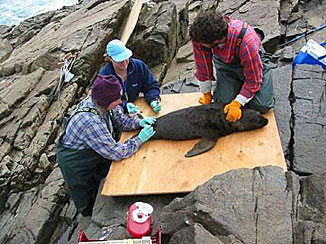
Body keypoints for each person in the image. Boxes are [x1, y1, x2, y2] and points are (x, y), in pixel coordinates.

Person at [56, 75, 156, 216]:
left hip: (92, 150)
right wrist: (139, 139)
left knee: (100, 176)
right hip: (75, 160)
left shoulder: (106, 102)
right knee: (83, 192)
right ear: (106, 101)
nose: (120, 102)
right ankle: (88, 215)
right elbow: (117, 153)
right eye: (117, 100)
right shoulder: (90, 122)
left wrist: (139, 123)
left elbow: (121, 122)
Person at [189, 10, 274, 122]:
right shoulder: (200, 38)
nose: (201, 46)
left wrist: (238, 103)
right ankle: (236, 85)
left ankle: (262, 74)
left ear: (218, 40)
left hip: (251, 61)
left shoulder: (246, 41)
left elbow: (253, 80)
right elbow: (203, 67)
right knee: (222, 103)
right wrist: (207, 94)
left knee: (262, 106)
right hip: (226, 63)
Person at [99, 39, 162, 114]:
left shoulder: (139, 66)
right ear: (110, 59)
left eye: (126, 58)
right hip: (118, 114)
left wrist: (153, 99)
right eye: (120, 60)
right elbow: (105, 101)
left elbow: (150, 85)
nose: (125, 62)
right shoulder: (104, 78)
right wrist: (124, 106)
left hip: (138, 107)